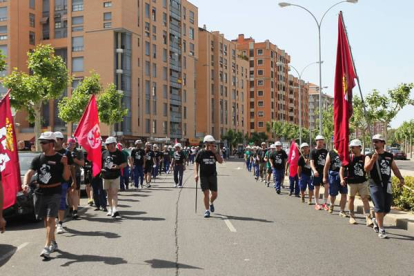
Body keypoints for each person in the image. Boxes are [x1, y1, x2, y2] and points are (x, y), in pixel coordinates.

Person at [22, 132, 70, 259]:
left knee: (50, 219)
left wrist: (65, 164)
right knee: (46, 220)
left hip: (55, 191)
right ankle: (53, 242)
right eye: (41, 142)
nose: (41, 144)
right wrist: (25, 184)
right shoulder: (38, 158)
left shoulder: (60, 158)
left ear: (51, 144)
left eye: (44, 142)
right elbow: (29, 172)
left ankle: (46, 246)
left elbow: (66, 177)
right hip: (41, 192)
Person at [365, 134, 405, 239]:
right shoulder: (369, 155)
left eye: (377, 141)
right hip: (375, 184)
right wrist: (373, 160)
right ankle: (381, 229)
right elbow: (366, 169)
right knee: (379, 207)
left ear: (382, 143)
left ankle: (375, 220)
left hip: (387, 184)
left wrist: (401, 178)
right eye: (374, 141)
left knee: (386, 208)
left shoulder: (389, 155)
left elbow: (395, 169)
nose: (375, 143)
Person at [340, 139, 373, 226]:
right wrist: (341, 179)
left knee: (365, 199)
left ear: (359, 147)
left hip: (362, 182)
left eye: (353, 147)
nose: (351, 149)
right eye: (351, 147)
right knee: (351, 199)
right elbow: (342, 169)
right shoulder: (348, 158)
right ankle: (352, 216)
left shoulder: (364, 157)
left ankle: (368, 217)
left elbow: (368, 167)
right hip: (351, 182)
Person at [195, 135, 223, 218]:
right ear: (206, 143)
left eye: (212, 143)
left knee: (214, 194)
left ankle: (211, 203)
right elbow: (196, 164)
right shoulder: (201, 152)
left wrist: (215, 152)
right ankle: (207, 210)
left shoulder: (215, 152)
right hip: (203, 176)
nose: (212, 144)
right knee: (206, 193)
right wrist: (196, 174)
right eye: (210, 143)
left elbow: (220, 161)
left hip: (213, 175)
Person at [53, 132, 75, 234]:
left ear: (62, 140)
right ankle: (54, 220)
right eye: (53, 138)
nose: (55, 140)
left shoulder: (66, 153)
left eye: (57, 139)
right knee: (52, 202)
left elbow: (71, 167)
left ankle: (60, 223)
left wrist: (74, 180)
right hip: (50, 182)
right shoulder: (49, 152)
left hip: (63, 181)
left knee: (61, 200)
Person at [102, 136, 127, 218]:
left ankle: (115, 209)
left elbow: (125, 164)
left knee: (114, 192)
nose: (110, 146)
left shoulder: (120, 153)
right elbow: (100, 163)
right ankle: (110, 208)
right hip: (106, 176)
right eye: (108, 144)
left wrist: (118, 166)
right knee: (109, 193)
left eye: (112, 144)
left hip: (115, 176)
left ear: (115, 144)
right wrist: (101, 169)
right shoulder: (104, 153)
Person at [323, 148, 347, 216]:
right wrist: (324, 177)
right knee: (333, 194)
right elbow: (326, 165)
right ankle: (331, 205)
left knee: (344, 193)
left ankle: (342, 211)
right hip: (334, 174)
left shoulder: (346, 151)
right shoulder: (331, 152)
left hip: (344, 175)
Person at [67, 138, 85, 221]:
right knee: (69, 192)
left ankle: (75, 210)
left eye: (73, 144)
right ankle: (70, 208)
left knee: (75, 192)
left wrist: (75, 160)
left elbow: (82, 163)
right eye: (70, 144)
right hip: (67, 174)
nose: (72, 145)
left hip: (76, 173)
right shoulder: (65, 152)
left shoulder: (79, 152)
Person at [310, 135, 329, 211]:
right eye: (319, 141)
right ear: (316, 141)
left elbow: (328, 162)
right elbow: (311, 162)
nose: (321, 143)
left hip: (325, 172)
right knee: (316, 188)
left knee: (327, 187)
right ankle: (317, 203)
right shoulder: (313, 151)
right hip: (317, 172)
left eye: (322, 141)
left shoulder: (326, 151)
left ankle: (325, 203)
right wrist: (314, 170)